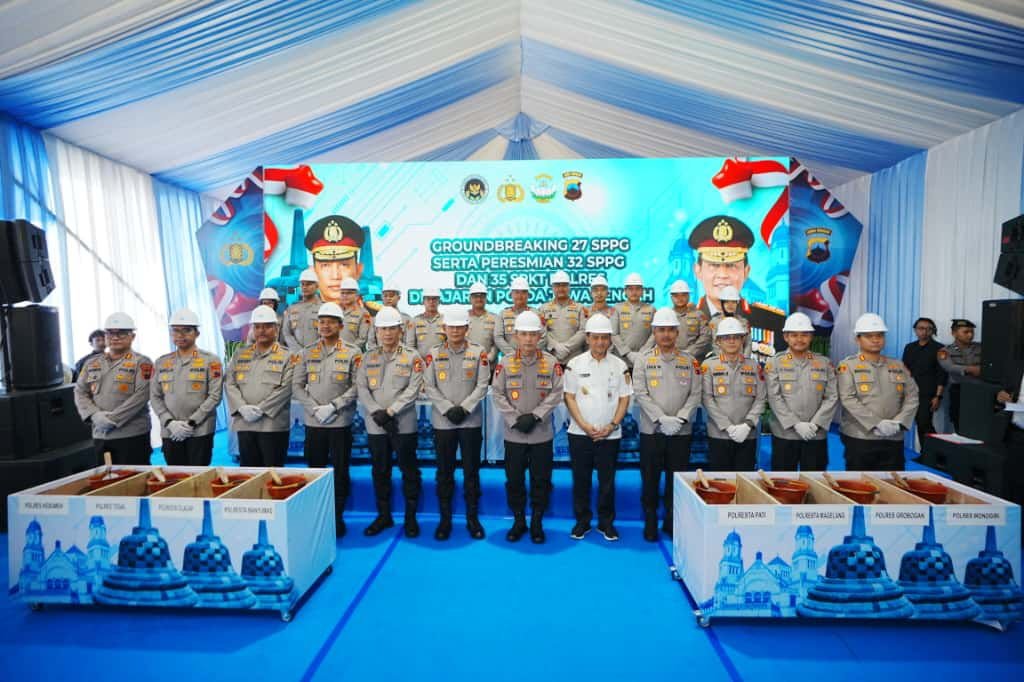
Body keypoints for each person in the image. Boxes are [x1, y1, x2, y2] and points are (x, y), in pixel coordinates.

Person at [491, 311, 564, 543]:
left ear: (540, 336)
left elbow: (557, 392)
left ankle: (537, 522)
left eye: (533, 334)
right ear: (516, 336)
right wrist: (514, 419)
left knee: (541, 481)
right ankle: (519, 520)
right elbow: (497, 393)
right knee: (514, 481)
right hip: (514, 435)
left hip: (541, 434)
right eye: (524, 334)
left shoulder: (551, 363)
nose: (529, 339)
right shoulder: (505, 363)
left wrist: (536, 416)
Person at [632, 307, 703, 541]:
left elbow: (695, 393)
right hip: (652, 430)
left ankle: (672, 521)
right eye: (661, 330)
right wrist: (661, 418)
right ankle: (650, 520)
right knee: (650, 479)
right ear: (654, 332)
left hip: (681, 431)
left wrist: (680, 418)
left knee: (677, 480)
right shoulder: (643, 360)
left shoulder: (690, 361)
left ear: (677, 332)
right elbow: (640, 393)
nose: (666, 334)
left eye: (670, 330)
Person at [292, 302, 361, 537]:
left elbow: (357, 386)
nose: (325, 326)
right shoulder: (306, 352)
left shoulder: (352, 352)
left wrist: (334, 406)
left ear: (341, 326)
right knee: (314, 470)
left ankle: (337, 516)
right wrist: (314, 408)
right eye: (322, 322)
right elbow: (297, 386)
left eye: (331, 322)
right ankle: (317, 515)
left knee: (341, 470)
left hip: (340, 421)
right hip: (315, 423)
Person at [422, 307, 490, 540]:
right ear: (444, 328)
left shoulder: (478, 352)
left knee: (472, 472)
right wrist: (447, 408)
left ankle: (473, 519)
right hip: (443, 422)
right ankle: (445, 520)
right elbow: (429, 385)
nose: (455, 331)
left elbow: (482, 384)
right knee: (444, 473)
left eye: (460, 327)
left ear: (467, 329)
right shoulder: (433, 353)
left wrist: (465, 408)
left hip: (470, 422)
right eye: (451, 327)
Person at [356, 307, 425, 538]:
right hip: (376, 424)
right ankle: (383, 516)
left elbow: (413, 389)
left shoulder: (412, 357)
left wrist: (391, 412)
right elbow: (362, 387)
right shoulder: (367, 357)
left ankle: (410, 518)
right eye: (383, 329)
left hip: (403, 424)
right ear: (376, 331)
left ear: (400, 330)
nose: (387, 333)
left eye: (392, 328)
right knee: (380, 470)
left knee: (409, 471)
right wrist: (377, 412)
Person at [564, 314, 632, 542]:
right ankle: (582, 522)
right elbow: (569, 397)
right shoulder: (574, 364)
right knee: (581, 480)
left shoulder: (620, 365)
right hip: (579, 433)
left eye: (604, 337)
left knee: (607, 482)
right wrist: (584, 426)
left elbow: (624, 398)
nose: (600, 342)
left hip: (610, 435)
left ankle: (606, 523)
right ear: (587, 338)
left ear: (610, 339)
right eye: (596, 337)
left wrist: (612, 425)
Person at [836, 313, 919, 471]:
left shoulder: (897, 365)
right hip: (860, 436)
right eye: (869, 336)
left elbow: (912, 396)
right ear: (857, 339)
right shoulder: (848, 366)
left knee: (893, 481)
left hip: (894, 436)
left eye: (879, 335)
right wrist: (876, 423)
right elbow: (847, 399)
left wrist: (899, 422)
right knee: (861, 482)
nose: (875, 340)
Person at [73, 312, 154, 465]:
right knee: (106, 477)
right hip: (100, 434)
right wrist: (94, 415)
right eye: (110, 333)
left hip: (131, 434)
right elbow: (80, 391)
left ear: (132, 336)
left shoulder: (143, 362)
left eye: (121, 333)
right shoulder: (92, 363)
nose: (115, 338)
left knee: (134, 477)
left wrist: (113, 420)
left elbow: (142, 395)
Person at [764, 312, 838, 471]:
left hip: (815, 434)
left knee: (815, 481)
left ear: (811, 336)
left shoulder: (824, 363)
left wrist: (816, 424)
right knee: (783, 480)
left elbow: (832, 396)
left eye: (804, 334)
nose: (799, 339)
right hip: (785, 434)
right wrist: (795, 424)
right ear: (786, 337)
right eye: (794, 335)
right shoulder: (774, 363)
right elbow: (774, 397)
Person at [149, 309, 224, 467]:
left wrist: (191, 423)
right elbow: (155, 396)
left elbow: (215, 396)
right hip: (170, 431)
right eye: (176, 330)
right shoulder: (161, 362)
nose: (180, 335)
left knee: (199, 475)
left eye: (187, 330)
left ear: (197, 333)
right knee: (175, 475)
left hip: (200, 430)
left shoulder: (211, 361)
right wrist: (169, 422)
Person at [224, 306, 296, 467]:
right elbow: (229, 382)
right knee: (249, 472)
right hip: (245, 423)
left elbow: (286, 388)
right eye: (257, 327)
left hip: (272, 425)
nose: (261, 331)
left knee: (273, 472)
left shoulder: (289, 356)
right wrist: (241, 407)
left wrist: (261, 409)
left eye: (267, 326)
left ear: (276, 329)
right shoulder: (240, 354)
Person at [689, 214, 785, 333]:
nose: (723, 274)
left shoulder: (773, 322)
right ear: (698, 271)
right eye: (713, 265)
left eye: (731, 266)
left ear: (746, 271)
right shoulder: (680, 323)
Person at [701, 317, 766, 471]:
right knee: (720, 480)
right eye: (726, 337)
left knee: (745, 480)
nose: (731, 341)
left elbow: (761, 398)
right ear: (718, 341)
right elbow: (707, 399)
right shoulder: (709, 366)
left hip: (747, 434)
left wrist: (748, 424)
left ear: (742, 340)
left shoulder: (754, 366)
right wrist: (727, 427)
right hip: (719, 435)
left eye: (736, 337)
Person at [901, 317, 947, 437]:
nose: (924, 332)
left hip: (928, 394)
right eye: (921, 328)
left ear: (933, 331)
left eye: (928, 329)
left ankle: (936, 447)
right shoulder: (909, 347)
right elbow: (904, 368)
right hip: (911, 392)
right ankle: (927, 449)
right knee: (919, 423)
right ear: (915, 330)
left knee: (924, 423)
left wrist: (938, 396)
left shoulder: (940, 348)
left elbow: (942, 374)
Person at [640, 280, 710, 359]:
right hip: (669, 358)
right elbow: (654, 337)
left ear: (688, 296)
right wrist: (641, 354)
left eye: (683, 295)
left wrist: (689, 352)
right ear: (671, 297)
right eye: (676, 296)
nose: (680, 298)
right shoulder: (665, 314)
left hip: (693, 358)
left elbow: (705, 337)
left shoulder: (699, 315)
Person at [305, 214, 365, 305]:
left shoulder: (376, 312)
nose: (335, 276)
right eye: (325, 265)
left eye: (344, 265)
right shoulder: (298, 312)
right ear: (313, 273)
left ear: (358, 270)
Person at [937, 319, 982, 433]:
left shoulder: (981, 347)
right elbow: (949, 367)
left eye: (972, 332)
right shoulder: (944, 351)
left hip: (979, 390)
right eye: (966, 332)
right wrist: (972, 369)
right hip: (959, 390)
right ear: (954, 333)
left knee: (979, 421)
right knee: (959, 421)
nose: (970, 335)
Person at [539, 270, 586, 366]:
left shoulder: (580, 308)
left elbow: (583, 331)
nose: (561, 288)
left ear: (569, 287)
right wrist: (555, 346)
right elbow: (541, 332)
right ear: (552, 287)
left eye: (564, 285)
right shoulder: (543, 309)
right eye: (557, 285)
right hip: (552, 358)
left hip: (575, 358)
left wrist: (567, 347)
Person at [610, 272, 655, 369]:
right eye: (630, 289)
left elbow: (655, 333)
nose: (634, 292)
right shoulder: (617, 308)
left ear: (642, 291)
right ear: (625, 291)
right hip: (621, 360)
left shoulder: (651, 309)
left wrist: (643, 352)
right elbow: (614, 334)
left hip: (644, 358)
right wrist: (628, 353)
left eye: (637, 289)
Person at [494, 276, 545, 359]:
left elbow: (543, 336)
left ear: (528, 295)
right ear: (511, 294)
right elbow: (498, 338)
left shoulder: (536, 314)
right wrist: (514, 354)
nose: (520, 296)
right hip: (510, 359)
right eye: (516, 292)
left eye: (523, 292)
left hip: (532, 359)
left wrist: (529, 353)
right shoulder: (502, 314)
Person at [281, 268, 322, 350]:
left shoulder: (323, 308)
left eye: (309, 284)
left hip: (318, 353)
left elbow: (328, 333)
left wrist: (314, 351)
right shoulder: (292, 308)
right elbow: (286, 332)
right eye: (302, 284)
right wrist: (297, 350)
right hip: (296, 354)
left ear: (317, 286)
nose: (305, 287)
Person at [706, 286, 752, 357]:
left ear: (737, 303)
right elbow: (714, 344)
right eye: (727, 302)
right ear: (722, 303)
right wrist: (725, 359)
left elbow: (748, 344)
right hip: (720, 361)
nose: (730, 305)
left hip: (741, 360)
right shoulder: (714, 322)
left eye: (733, 302)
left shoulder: (744, 322)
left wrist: (745, 359)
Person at [367, 283, 413, 351]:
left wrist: (400, 355)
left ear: (399, 298)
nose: (388, 298)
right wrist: (378, 355)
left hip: (401, 355)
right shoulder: (375, 319)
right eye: (385, 296)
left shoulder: (407, 319)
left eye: (391, 295)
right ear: (382, 298)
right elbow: (371, 342)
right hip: (379, 355)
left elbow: (409, 343)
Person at [466, 281, 498, 368]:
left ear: (486, 298)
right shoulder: (463, 318)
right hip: (466, 365)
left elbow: (497, 342)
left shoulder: (495, 318)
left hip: (489, 366)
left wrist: (489, 358)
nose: (479, 299)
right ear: (470, 298)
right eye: (475, 296)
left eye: (482, 296)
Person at [409, 287, 446, 357]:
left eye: (434, 299)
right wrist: (417, 360)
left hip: (442, 360)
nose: (431, 302)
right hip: (420, 361)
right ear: (423, 301)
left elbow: (450, 344)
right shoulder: (415, 320)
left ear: (439, 301)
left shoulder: (445, 320)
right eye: (428, 299)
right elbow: (410, 345)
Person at [338, 277, 372, 351]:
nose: (345, 295)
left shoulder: (364, 314)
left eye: (349, 293)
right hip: (334, 353)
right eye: (342, 293)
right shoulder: (336, 312)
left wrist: (348, 351)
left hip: (353, 354)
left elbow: (362, 339)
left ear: (357, 295)